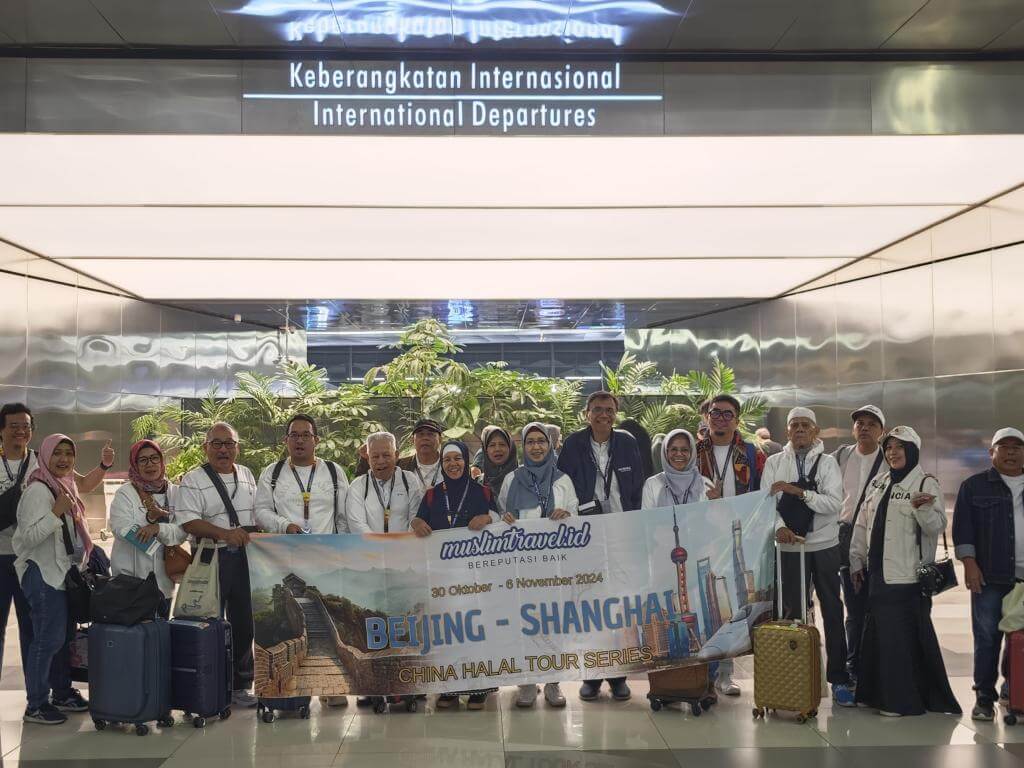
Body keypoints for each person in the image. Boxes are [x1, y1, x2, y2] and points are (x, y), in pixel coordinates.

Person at [849, 426, 960, 717]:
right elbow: (862, 523)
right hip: (877, 575)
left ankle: (901, 701)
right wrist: (856, 558)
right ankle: (874, 695)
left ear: (913, 451)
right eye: (889, 448)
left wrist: (922, 509)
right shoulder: (880, 482)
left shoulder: (924, 482)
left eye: (900, 447)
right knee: (877, 636)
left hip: (907, 577)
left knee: (900, 641)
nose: (893, 453)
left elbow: (936, 527)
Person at [0, 403, 114, 685]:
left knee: (34, 630)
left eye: (25, 426)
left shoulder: (44, 460)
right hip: (1, 555)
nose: (20, 431)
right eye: (13, 425)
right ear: (1, 430)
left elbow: (84, 485)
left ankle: (36, 694)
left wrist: (104, 466)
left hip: (35, 561)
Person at [557, 391, 643, 702]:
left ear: (616, 414)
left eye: (608, 410)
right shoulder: (573, 444)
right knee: (591, 605)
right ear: (586, 413)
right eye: (597, 410)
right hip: (586, 534)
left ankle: (618, 675)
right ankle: (591, 676)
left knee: (619, 606)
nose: (603, 415)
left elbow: (638, 486)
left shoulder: (628, 442)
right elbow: (563, 483)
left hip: (620, 531)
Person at [766, 407, 855, 707]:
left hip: (825, 546)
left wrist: (798, 492)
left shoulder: (828, 463)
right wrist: (780, 529)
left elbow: (833, 504)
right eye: (794, 426)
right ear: (787, 432)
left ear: (815, 431)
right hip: (791, 549)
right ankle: (792, 678)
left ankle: (839, 678)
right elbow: (765, 504)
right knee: (792, 613)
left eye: (806, 425)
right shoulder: (775, 462)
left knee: (832, 609)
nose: (800, 430)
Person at [177, 422, 259, 708]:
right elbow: (188, 520)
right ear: (205, 447)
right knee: (207, 621)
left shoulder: (247, 474)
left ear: (237, 447)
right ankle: (207, 684)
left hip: (246, 560)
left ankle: (241, 684)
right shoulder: (193, 479)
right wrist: (225, 534)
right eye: (217, 443)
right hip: (212, 558)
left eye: (229, 443)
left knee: (244, 623)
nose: (223, 449)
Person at [13, 434, 93, 724]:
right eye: (57, 453)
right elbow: (28, 538)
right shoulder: (37, 490)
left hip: (62, 573)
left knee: (62, 639)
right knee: (47, 640)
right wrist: (55, 513)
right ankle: (35, 704)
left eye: (68, 453)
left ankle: (61, 693)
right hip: (42, 572)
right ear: (44, 456)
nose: (63, 459)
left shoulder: (64, 485)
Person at [412, 440, 496, 710]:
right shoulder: (433, 495)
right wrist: (416, 522)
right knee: (449, 630)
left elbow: (503, 518)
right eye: (447, 460)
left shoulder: (483, 492)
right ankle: (450, 686)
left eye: (457, 458)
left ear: (466, 460)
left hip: (477, 577)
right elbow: (418, 520)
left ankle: (479, 687)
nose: (453, 464)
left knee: (477, 629)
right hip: (444, 577)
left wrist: (489, 518)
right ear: (442, 464)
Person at [498, 422, 576, 708]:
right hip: (522, 568)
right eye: (530, 441)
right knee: (524, 623)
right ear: (523, 447)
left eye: (541, 441)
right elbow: (501, 515)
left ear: (550, 444)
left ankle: (554, 683)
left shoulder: (562, 481)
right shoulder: (512, 479)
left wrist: (567, 515)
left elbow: (577, 517)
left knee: (554, 623)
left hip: (555, 568)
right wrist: (503, 519)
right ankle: (527, 683)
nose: (536, 446)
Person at [695, 394, 765, 695]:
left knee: (736, 603)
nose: (720, 418)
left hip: (739, 536)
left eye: (727, 414)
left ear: (736, 419)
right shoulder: (693, 450)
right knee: (705, 604)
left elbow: (762, 493)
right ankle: (704, 671)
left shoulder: (751, 453)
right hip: (702, 536)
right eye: (715, 413)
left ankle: (726, 672)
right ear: (706, 416)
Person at [953, 426, 1024, 721]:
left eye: (1016, 447)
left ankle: (1015, 688)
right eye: (1003, 447)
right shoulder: (974, 486)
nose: (1010, 452)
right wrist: (970, 563)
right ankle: (984, 696)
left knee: (1019, 639)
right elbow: (963, 528)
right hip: (990, 576)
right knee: (987, 637)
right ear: (991, 453)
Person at [832, 405, 886, 684]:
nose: (864, 428)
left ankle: (872, 662)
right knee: (852, 603)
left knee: (872, 601)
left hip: (875, 538)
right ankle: (853, 663)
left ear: (882, 431)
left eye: (871, 424)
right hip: (841, 535)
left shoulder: (888, 460)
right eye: (860, 424)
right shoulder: (840, 456)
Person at [109, 440, 187, 617]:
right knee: (135, 639)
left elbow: (182, 532)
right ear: (135, 465)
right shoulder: (126, 493)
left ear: (162, 462)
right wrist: (150, 524)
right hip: (131, 583)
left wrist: (158, 528)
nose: (150, 464)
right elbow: (120, 528)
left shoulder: (175, 493)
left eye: (154, 458)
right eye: (143, 460)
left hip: (164, 583)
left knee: (160, 637)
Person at [255, 414, 350, 536]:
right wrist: (285, 526)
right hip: (286, 551)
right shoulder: (272, 472)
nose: (299, 440)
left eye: (306, 435)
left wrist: (342, 547)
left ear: (316, 440)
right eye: (294, 435)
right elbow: (261, 511)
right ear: (286, 440)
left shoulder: (333, 471)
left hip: (326, 550)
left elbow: (343, 517)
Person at [347, 432, 423, 534]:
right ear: (368, 459)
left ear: (396, 456)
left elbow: (415, 517)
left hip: (405, 546)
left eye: (386, 455)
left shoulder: (409, 480)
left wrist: (403, 543)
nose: (381, 461)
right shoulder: (358, 485)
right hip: (370, 548)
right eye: (375, 456)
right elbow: (357, 524)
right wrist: (381, 546)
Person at [642, 429, 707, 509]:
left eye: (684, 450)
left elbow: (713, 519)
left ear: (692, 453)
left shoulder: (705, 484)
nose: (679, 454)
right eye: (673, 449)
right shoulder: (652, 484)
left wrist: (716, 504)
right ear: (666, 452)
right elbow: (647, 519)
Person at [478, 426, 518, 498]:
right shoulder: (478, 483)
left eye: (502, 444)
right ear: (485, 450)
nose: (497, 449)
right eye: (492, 445)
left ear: (510, 448)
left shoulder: (523, 481)